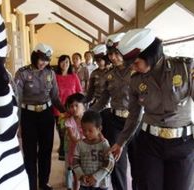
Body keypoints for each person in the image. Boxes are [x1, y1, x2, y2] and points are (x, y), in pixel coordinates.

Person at [110, 28, 194, 190]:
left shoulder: (185, 69)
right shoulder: (136, 80)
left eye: (136, 63)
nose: (133, 68)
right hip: (149, 143)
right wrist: (121, 142)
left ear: (150, 54)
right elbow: (134, 115)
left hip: (182, 145)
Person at [90, 32, 138, 190]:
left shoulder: (137, 70)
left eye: (116, 54)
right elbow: (103, 100)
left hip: (137, 122)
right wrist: (89, 113)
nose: (113, 57)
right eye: (110, 54)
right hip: (116, 122)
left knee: (139, 164)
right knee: (117, 164)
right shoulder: (109, 75)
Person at [15, 43, 65, 190]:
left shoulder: (50, 73)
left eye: (47, 60)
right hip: (28, 115)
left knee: (46, 150)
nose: (44, 63)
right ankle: (31, 185)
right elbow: (17, 100)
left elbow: (55, 97)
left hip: (46, 115)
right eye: (42, 59)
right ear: (35, 56)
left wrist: (65, 111)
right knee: (30, 153)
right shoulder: (22, 73)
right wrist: (17, 124)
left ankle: (44, 183)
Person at [73, 110, 114, 190]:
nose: (86, 133)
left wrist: (96, 177)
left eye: (90, 130)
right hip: (85, 184)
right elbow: (75, 163)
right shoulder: (80, 144)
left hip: (101, 184)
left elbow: (110, 163)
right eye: (84, 130)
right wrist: (81, 176)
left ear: (99, 129)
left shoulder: (104, 144)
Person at [54, 55, 82, 160]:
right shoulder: (54, 77)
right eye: (62, 62)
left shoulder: (74, 76)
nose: (64, 64)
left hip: (72, 109)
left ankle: (72, 151)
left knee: (72, 130)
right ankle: (62, 149)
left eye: (67, 62)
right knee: (62, 130)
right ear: (59, 63)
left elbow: (79, 92)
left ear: (69, 63)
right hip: (58, 110)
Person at [64, 93, 86, 190]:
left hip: (87, 153)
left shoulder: (88, 120)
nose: (74, 108)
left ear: (84, 106)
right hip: (75, 153)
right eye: (71, 106)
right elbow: (72, 137)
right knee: (76, 177)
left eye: (77, 105)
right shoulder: (69, 122)